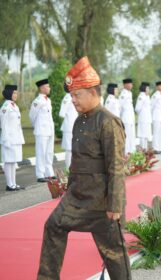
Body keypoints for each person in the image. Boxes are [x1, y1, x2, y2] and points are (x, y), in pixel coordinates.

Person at [37, 56, 131, 280]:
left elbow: (116, 167)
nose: (73, 101)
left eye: (77, 95)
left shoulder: (108, 122)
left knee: (114, 255)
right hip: (76, 198)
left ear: (92, 92)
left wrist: (115, 205)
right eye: (71, 96)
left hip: (102, 202)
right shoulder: (80, 120)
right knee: (53, 226)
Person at [29, 79, 55, 183]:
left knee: (49, 152)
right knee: (41, 153)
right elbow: (32, 116)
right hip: (41, 131)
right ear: (41, 88)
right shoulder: (37, 101)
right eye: (47, 86)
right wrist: (37, 126)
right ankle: (40, 174)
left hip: (49, 130)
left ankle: (49, 173)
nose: (49, 88)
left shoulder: (48, 100)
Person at [1, 85, 25, 191]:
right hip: (8, 138)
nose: (16, 95)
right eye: (14, 93)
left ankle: (13, 183)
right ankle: (9, 184)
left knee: (13, 161)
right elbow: (3, 124)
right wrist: (5, 139)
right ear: (9, 94)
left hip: (15, 138)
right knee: (8, 161)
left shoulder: (15, 106)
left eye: (16, 93)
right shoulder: (5, 107)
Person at [59, 83, 78, 169]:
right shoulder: (67, 98)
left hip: (73, 126)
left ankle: (72, 168)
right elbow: (62, 113)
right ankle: (68, 169)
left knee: (73, 149)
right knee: (69, 149)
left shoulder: (72, 97)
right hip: (68, 127)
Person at [119, 78, 136, 155]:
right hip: (126, 118)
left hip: (130, 118)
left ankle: (132, 151)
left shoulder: (129, 93)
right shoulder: (123, 94)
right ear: (125, 85)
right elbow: (120, 107)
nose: (131, 85)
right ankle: (126, 152)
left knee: (132, 135)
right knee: (127, 136)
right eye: (130, 84)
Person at [135, 82, 152, 150]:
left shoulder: (147, 96)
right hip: (143, 119)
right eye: (147, 88)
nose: (148, 90)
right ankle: (143, 149)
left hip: (147, 119)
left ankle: (145, 149)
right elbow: (137, 108)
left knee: (146, 135)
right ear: (144, 89)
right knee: (142, 135)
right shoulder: (141, 97)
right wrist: (142, 114)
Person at [151, 81, 161, 153]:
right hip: (156, 117)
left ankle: (160, 147)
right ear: (157, 87)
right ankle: (155, 148)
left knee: (160, 133)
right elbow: (151, 106)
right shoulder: (155, 96)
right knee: (156, 133)